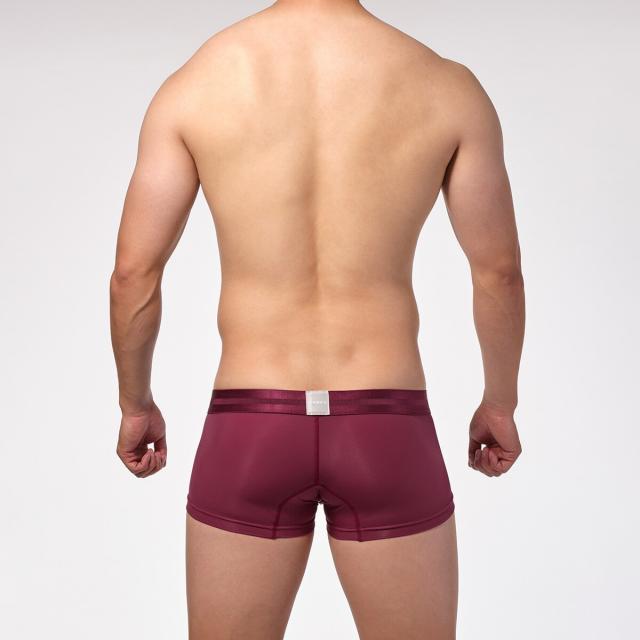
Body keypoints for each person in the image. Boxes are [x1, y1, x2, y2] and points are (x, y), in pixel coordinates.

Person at [109, 0, 525, 637]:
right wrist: (500, 402)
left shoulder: (196, 83)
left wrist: (134, 403)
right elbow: (498, 271)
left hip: (251, 424)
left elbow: (134, 274)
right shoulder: (445, 85)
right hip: (385, 423)